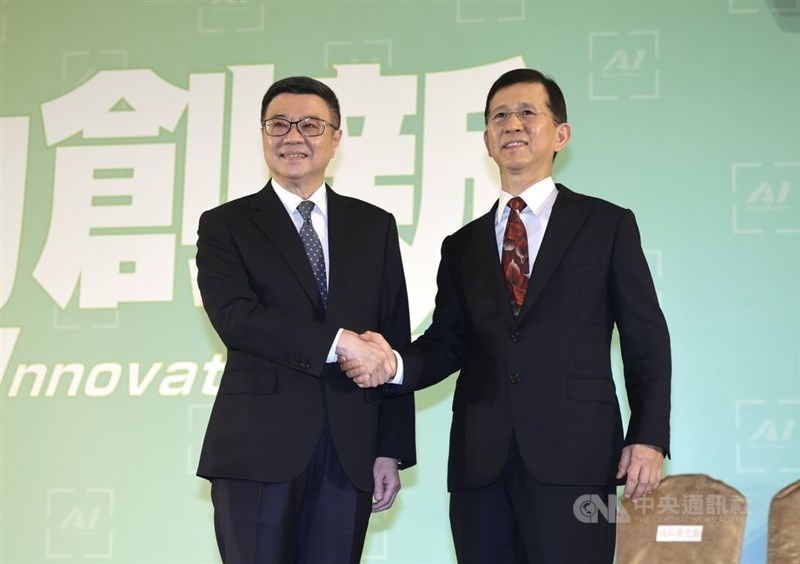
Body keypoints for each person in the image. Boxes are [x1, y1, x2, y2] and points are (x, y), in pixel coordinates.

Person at [341, 68, 671, 563]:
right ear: (488, 141)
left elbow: (646, 336)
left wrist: (648, 436)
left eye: (527, 113)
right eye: (499, 116)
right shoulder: (462, 245)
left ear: (560, 134)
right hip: (480, 463)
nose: (512, 123)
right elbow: (448, 342)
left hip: (577, 459)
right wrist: (393, 365)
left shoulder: (606, 225)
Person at [195, 76, 415, 564]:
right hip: (257, 449)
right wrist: (338, 342)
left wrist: (389, 449)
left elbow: (391, 338)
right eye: (279, 124)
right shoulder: (225, 224)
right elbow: (237, 319)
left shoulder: (373, 225)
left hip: (349, 451)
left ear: (336, 137)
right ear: (263, 135)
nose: (293, 136)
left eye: (311, 124)